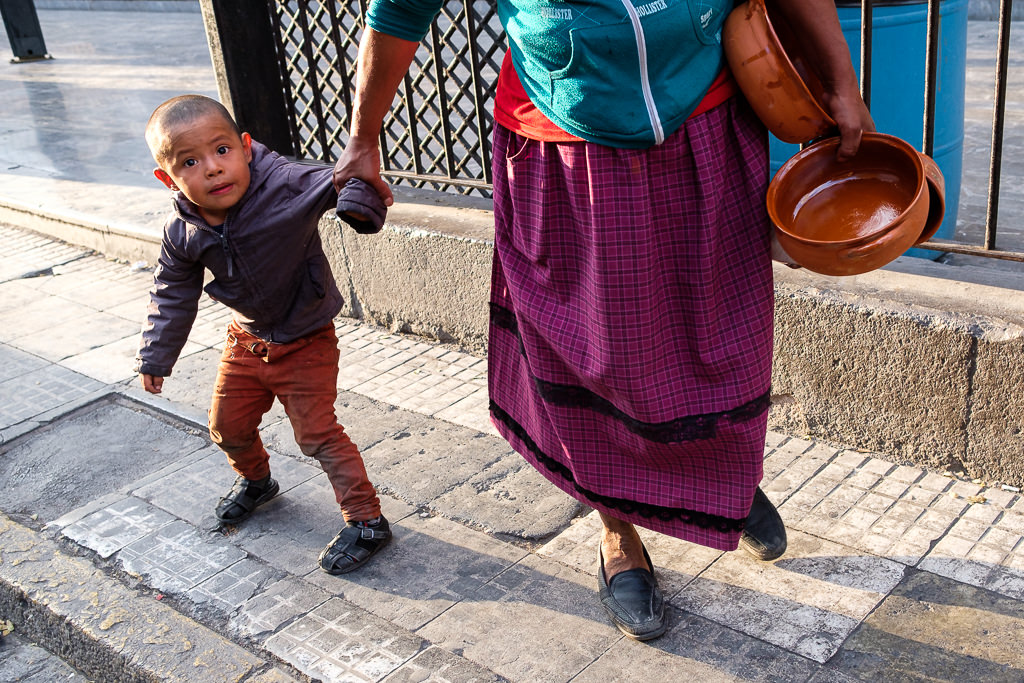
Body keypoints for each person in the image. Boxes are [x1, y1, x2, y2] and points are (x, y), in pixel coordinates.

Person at [333, 0, 874, 639]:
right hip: (567, 150)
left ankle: (717, 483)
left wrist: (843, 86)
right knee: (601, 354)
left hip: (709, 124)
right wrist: (364, 139)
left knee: (724, 332)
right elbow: (400, 10)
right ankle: (617, 528)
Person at [135, 94, 391, 575]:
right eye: (191, 162)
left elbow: (342, 182)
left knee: (317, 434)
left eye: (222, 150)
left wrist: (359, 205)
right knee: (225, 427)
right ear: (167, 178)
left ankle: (367, 520)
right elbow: (170, 292)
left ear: (246, 147)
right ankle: (257, 481)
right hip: (246, 341)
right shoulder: (182, 230)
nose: (212, 168)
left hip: (307, 340)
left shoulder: (283, 184)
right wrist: (154, 357)